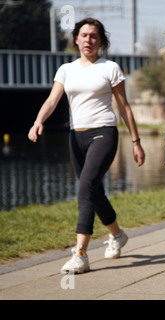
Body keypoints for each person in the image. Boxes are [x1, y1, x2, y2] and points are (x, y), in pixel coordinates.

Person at [28, 18, 146, 274]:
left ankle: (80, 253)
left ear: (101, 41)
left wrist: (136, 142)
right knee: (94, 191)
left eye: (94, 36)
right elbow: (52, 100)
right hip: (76, 137)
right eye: (84, 35)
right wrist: (38, 121)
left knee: (85, 189)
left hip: (104, 133)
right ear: (76, 39)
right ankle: (117, 235)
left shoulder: (110, 68)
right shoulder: (66, 69)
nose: (88, 40)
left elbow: (124, 107)